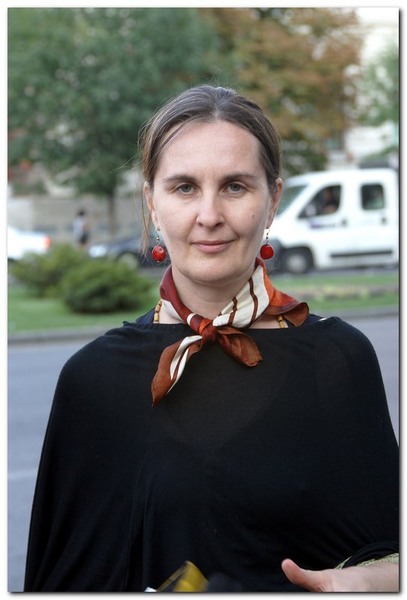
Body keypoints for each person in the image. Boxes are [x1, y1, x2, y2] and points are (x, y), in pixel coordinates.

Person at [24, 85, 398, 592]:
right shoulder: (94, 380)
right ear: (152, 204)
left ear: (273, 201)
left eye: (235, 186)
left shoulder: (338, 360)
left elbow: (392, 555)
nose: (209, 215)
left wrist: (359, 584)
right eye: (184, 187)